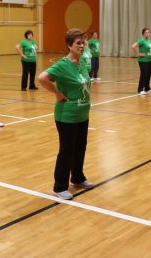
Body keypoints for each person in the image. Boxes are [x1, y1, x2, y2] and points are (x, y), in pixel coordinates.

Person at [38, 28, 94, 200]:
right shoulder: (63, 65)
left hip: (82, 114)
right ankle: (59, 186)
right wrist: (57, 93)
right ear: (69, 45)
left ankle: (77, 178)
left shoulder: (82, 62)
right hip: (67, 116)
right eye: (78, 43)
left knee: (80, 148)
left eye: (83, 42)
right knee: (67, 150)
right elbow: (42, 78)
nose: (82, 45)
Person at [132, 27, 151, 95]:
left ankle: (147, 88)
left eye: (148, 32)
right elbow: (133, 46)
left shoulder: (148, 40)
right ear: (143, 34)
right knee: (143, 74)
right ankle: (140, 89)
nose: (147, 34)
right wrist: (139, 54)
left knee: (148, 74)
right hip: (143, 61)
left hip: (148, 60)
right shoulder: (142, 40)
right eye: (146, 33)